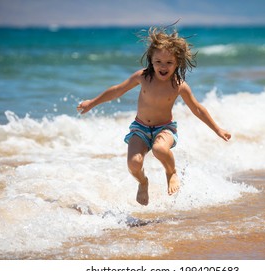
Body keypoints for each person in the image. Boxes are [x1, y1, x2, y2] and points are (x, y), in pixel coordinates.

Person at [77, 26, 231, 206]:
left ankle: (171, 172)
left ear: (177, 63)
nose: (163, 66)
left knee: (159, 149)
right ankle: (143, 182)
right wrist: (92, 103)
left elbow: (197, 109)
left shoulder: (179, 85)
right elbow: (117, 91)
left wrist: (217, 129)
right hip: (140, 128)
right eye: (158, 61)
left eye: (169, 63)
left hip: (164, 128)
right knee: (134, 163)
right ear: (151, 60)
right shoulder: (142, 77)